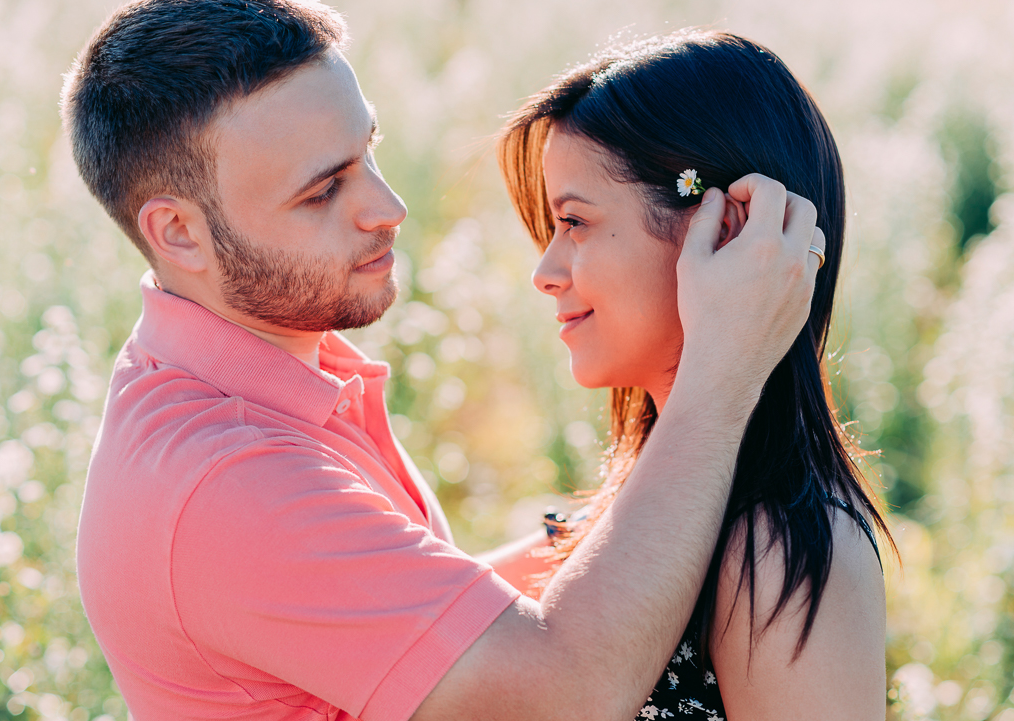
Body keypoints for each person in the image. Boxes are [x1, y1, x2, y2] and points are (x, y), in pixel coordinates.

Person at [62, 3, 822, 720]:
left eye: (367, 152)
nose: (387, 205)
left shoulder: (241, 372)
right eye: (324, 190)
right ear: (179, 234)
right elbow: (565, 694)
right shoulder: (226, 481)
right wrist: (722, 374)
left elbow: (405, 610)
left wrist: (609, 523)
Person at [498, 29, 891, 720]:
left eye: (575, 222)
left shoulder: (781, 549)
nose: (545, 271)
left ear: (728, 226)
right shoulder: (621, 522)